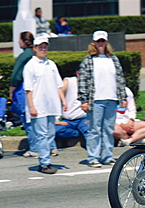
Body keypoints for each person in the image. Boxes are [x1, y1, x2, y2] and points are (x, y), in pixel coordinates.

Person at [78, 30, 127, 168]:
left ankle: (107, 156)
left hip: (111, 99)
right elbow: (83, 80)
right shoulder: (88, 60)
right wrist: (84, 100)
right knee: (94, 129)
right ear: (93, 43)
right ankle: (93, 157)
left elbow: (119, 79)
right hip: (96, 100)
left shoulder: (113, 58)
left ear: (106, 42)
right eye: (98, 41)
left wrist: (122, 96)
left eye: (103, 41)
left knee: (108, 129)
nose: (100, 44)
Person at [23, 36, 68, 174]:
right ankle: (44, 163)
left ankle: (46, 159)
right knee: (42, 135)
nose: (43, 49)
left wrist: (63, 101)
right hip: (39, 106)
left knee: (50, 134)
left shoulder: (51, 64)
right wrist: (31, 106)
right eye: (40, 46)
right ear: (34, 48)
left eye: (45, 46)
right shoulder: (30, 66)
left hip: (51, 106)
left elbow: (58, 85)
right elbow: (28, 89)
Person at [55, 71, 87, 141]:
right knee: (56, 131)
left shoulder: (93, 84)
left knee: (90, 131)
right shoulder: (68, 82)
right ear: (78, 73)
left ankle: (95, 150)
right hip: (68, 120)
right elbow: (55, 100)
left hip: (84, 118)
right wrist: (56, 120)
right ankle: (78, 133)